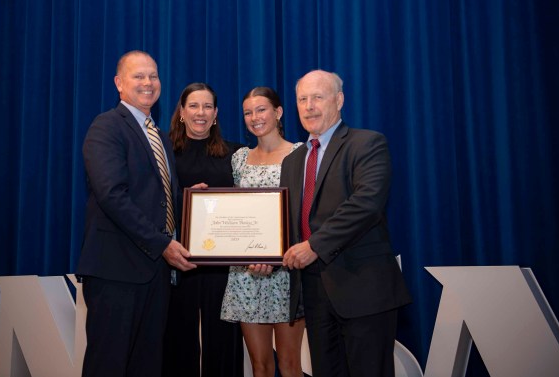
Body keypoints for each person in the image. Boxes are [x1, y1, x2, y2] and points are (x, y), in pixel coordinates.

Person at [281, 70, 412, 377]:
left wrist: (314, 245)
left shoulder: (367, 143)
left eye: (318, 97)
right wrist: (265, 256)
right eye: (303, 99)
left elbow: (366, 204)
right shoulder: (293, 161)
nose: (309, 106)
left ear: (339, 100)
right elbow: (289, 222)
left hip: (363, 288)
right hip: (313, 292)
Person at [76, 50, 196, 377]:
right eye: (138, 76)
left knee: (146, 364)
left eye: (153, 76)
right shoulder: (107, 126)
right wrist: (162, 244)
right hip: (117, 271)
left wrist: (193, 204)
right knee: (109, 364)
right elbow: (113, 196)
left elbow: (156, 200)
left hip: (153, 273)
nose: (148, 83)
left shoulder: (157, 135)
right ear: (119, 83)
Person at [221, 87, 306, 377]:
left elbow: (303, 215)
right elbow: (236, 213)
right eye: (248, 112)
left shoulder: (300, 154)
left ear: (278, 112)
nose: (254, 117)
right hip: (245, 275)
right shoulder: (239, 158)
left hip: (286, 272)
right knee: (259, 365)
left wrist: (275, 257)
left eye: (261, 109)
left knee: (290, 364)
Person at [163, 82, 245, 377]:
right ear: (182, 112)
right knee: (176, 339)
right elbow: (150, 200)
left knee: (224, 341)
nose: (201, 112)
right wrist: (184, 197)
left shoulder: (236, 153)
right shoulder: (164, 153)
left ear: (216, 113)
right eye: (194, 106)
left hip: (223, 265)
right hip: (177, 259)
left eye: (207, 106)